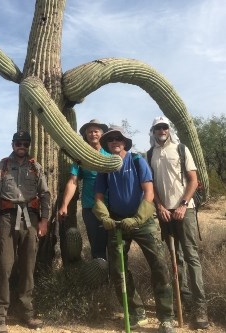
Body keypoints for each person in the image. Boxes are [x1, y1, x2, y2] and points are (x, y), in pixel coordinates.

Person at [93, 125, 175, 333]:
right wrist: (104, 216)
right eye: (110, 139)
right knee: (117, 268)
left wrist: (138, 218)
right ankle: (136, 312)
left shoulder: (137, 160)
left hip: (143, 221)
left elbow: (148, 192)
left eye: (118, 139)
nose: (114, 142)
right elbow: (99, 197)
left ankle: (166, 317)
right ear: (107, 144)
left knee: (158, 263)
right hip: (118, 222)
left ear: (125, 142)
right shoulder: (105, 167)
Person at [0, 130, 51, 333]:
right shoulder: (3, 166)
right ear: (13, 144)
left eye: (25, 143)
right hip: (6, 217)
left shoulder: (35, 167)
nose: (21, 145)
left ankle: (27, 313)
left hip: (30, 218)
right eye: (18, 142)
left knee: (28, 266)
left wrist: (45, 220)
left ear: (28, 145)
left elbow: (45, 194)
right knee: (4, 266)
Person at [149, 116, 209, 329]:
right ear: (153, 131)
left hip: (185, 209)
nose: (161, 130)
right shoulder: (151, 153)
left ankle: (200, 307)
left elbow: (193, 179)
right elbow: (151, 184)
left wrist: (183, 204)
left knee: (191, 256)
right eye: (158, 127)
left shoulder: (181, 149)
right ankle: (183, 301)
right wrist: (160, 206)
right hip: (165, 212)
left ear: (169, 129)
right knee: (176, 259)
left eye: (164, 126)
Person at [59, 119, 109, 259]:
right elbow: (73, 181)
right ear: (85, 136)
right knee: (97, 248)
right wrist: (64, 205)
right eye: (89, 132)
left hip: (111, 206)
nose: (93, 134)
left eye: (96, 131)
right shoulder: (81, 157)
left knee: (115, 246)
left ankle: (118, 279)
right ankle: (101, 279)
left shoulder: (110, 154)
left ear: (102, 134)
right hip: (91, 208)